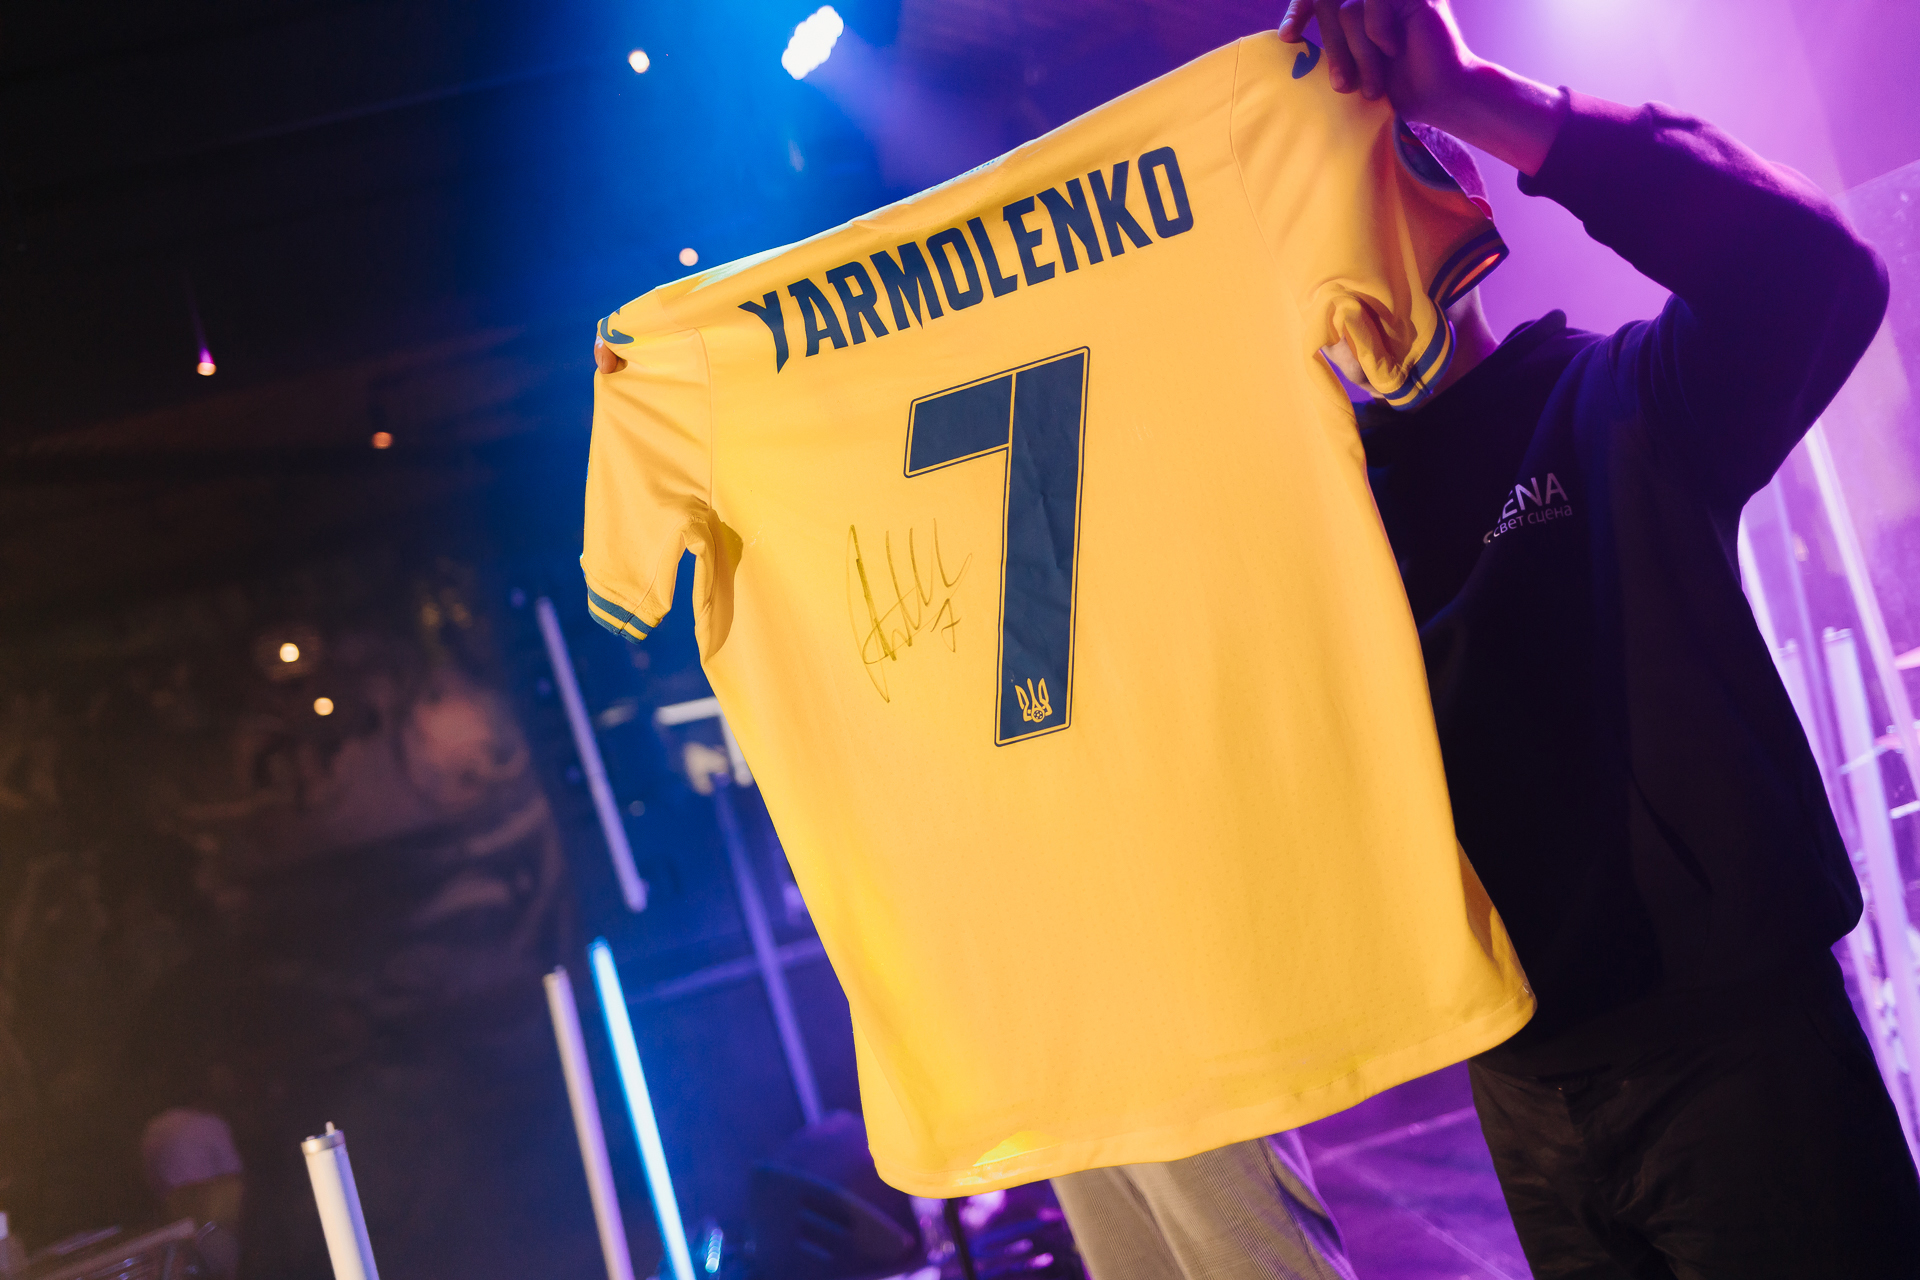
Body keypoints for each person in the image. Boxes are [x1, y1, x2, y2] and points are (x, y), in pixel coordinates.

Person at [1279, 0, 1920, 1275]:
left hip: (1738, 1061)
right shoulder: (1332, 526)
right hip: (1523, 1087)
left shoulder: (1616, 402)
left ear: (1459, 197)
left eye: (1370, 200)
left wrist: (1475, 96)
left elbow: (1811, 272)